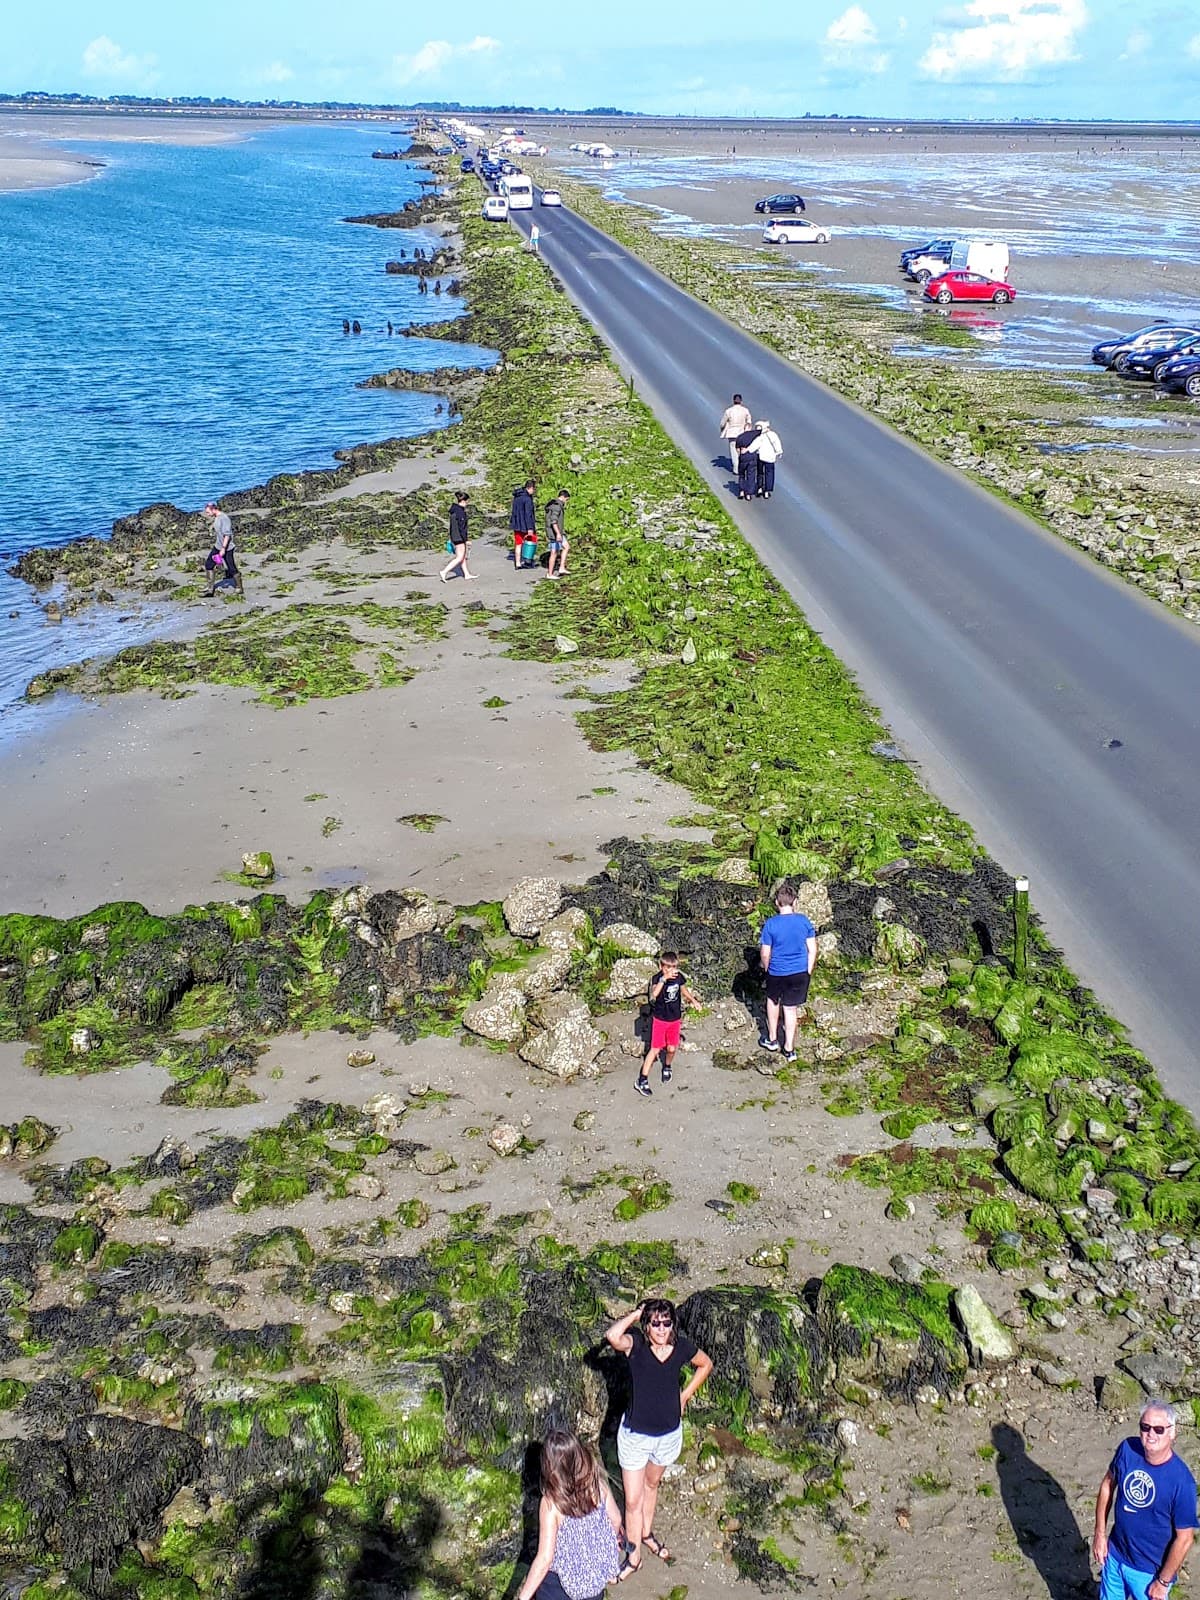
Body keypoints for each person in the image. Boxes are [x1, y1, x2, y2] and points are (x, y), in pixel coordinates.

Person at [605, 1300, 713, 1578]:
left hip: (667, 1436)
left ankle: (646, 1533)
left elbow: (705, 1364)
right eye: (656, 1323)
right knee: (631, 1501)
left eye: (667, 1323)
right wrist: (636, 1314)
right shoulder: (636, 1346)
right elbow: (612, 1337)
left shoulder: (681, 1348)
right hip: (634, 1438)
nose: (662, 1328)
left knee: (652, 1485)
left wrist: (686, 1394)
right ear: (647, 1325)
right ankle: (633, 1558)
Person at [1094, 1400, 1198, 1600]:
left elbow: (1185, 1538)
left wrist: (1163, 1582)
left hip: (1149, 1573)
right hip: (1115, 1557)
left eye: (1159, 1429)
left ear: (1172, 1433)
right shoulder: (1127, 1450)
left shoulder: (1182, 1482)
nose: (1151, 1434)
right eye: (1145, 1427)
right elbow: (1107, 1485)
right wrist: (1100, 1534)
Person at [515, 1429, 623, 1600]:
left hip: (560, 1585)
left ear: (550, 1468)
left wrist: (523, 1597)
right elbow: (616, 1519)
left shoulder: (552, 1504)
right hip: (593, 1582)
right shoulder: (597, 1485)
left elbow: (545, 1559)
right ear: (580, 1454)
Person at [758, 884, 817, 1062]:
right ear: (795, 902)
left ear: (777, 902)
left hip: (777, 971)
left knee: (773, 1001)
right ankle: (789, 1048)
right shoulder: (804, 921)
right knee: (791, 1009)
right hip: (799, 971)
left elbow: (765, 953)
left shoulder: (771, 924)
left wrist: (767, 968)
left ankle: (772, 1038)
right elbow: (812, 949)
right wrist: (808, 970)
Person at [636, 952, 699, 1097]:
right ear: (661, 966)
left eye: (675, 967)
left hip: (674, 1019)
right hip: (660, 1020)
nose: (672, 970)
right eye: (668, 967)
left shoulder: (678, 977)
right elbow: (654, 995)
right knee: (655, 1050)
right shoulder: (656, 978)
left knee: (671, 1048)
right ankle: (642, 1079)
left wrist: (693, 1000)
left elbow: (684, 991)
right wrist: (664, 979)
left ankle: (667, 1066)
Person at [202, 502, 242, 597]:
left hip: (227, 548)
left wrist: (223, 549)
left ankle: (239, 588)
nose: (207, 514)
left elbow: (227, 535)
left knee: (231, 568)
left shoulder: (224, 518)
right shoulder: (217, 517)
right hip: (217, 546)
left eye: (208, 512)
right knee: (209, 564)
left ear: (213, 509)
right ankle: (210, 588)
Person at [440, 490, 475, 582]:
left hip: (454, 536)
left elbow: (452, 526)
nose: (467, 504)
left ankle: (466, 574)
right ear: (463, 501)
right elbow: (462, 528)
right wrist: (466, 540)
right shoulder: (460, 512)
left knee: (462, 556)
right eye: (467, 502)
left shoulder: (454, 510)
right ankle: (444, 571)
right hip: (459, 537)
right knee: (459, 557)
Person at [748, 419, 783, 498]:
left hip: (760, 457)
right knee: (769, 474)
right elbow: (777, 444)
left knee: (760, 473)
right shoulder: (773, 435)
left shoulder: (760, 436)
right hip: (770, 458)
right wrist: (779, 452)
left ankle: (759, 487)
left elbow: (754, 446)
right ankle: (767, 491)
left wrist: (748, 451)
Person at [718, 392, 752, 475]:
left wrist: (722, 429)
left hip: (732, 433)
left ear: (733, 401)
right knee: (742, 450)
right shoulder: (745, 410)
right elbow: (749, 422)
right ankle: (743, 467)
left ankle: (736, 468)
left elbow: (722, 423)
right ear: (741, 401)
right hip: (742, 433)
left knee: (733, 450)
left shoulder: (729, 411)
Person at [510, 478, 537, 569]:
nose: (534, 491)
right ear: (530, 488)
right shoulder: (528, 499)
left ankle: (517, 563)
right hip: (525, 525)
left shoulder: (517, 496)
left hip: (516, 524)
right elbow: (528, 515)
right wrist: (530, 528)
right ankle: (527, 561)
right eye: (534, 489)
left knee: (518, 543)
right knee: (529, 542)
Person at [546, 489, 570, 579]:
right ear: (563, 497)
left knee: (566, 546)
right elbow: (554, 521)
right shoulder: (557, 507)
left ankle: (561, 568)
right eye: (566, 500)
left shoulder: (553, 504)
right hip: (555, 533)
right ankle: (550, 574)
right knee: (554, 552)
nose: (566, 502)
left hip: (557, 532)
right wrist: (558, 534)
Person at [734, 425, 760, 500]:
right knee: (751, 476)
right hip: (752, 457)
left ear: (744, 429)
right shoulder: (754, 435)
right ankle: (748, 494)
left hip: (743, 458)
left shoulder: (740, 437)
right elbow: (762, 431)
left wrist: (740, 455)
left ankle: (741, 491)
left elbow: (737, 449)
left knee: (742, 474)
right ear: (750, 428)